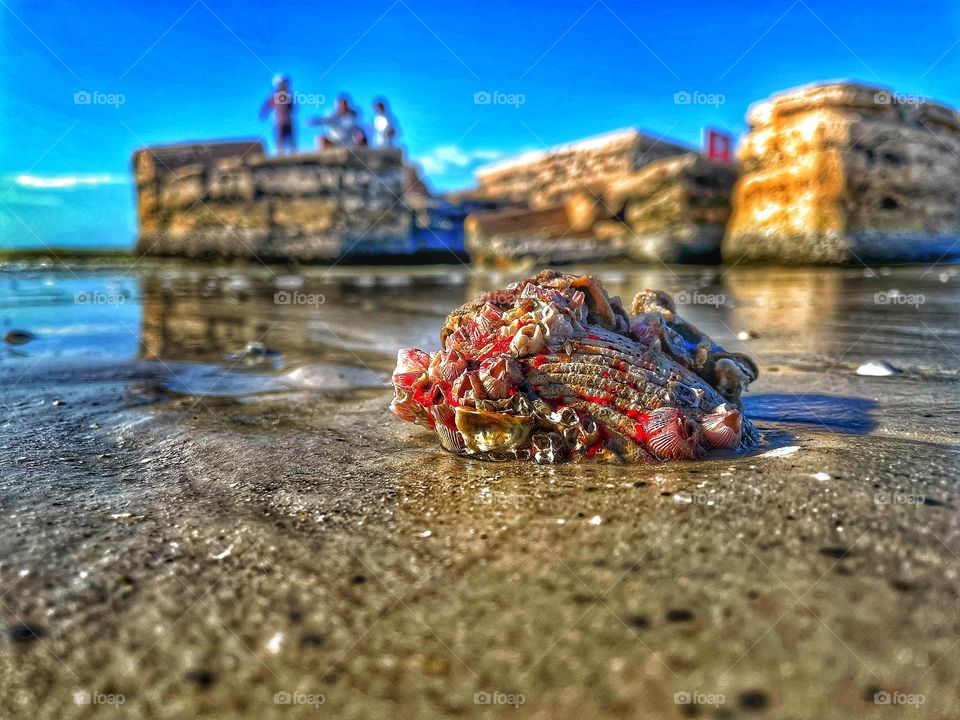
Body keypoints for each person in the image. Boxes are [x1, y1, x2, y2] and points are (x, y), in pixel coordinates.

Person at [259, 74, 296, 155]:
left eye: (286, 83)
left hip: (289, 121)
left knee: (291, 141)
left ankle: (294, 154)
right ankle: (281, 154)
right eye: (283, 83)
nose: (285, 85)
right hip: (279, 122)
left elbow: (292, 107)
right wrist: (263, 114)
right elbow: (266, 106)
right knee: (280, 141)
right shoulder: (274, 96)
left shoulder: (289, 95)